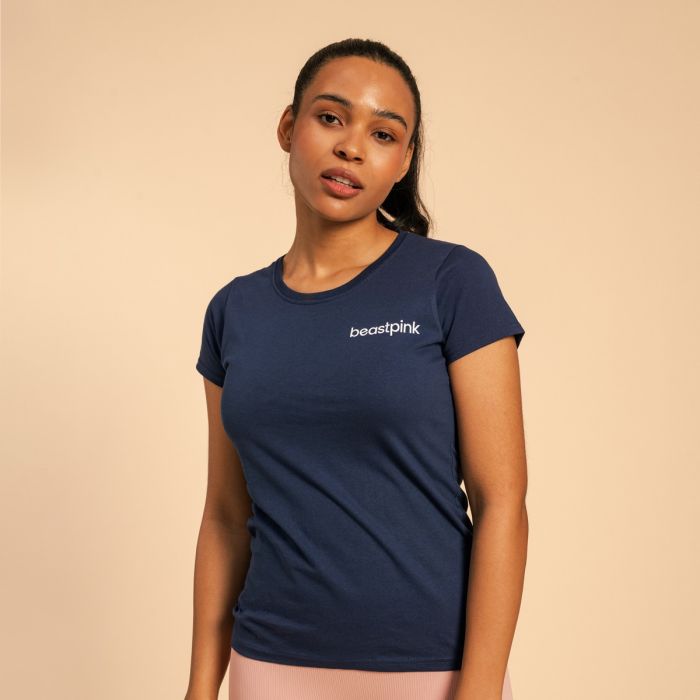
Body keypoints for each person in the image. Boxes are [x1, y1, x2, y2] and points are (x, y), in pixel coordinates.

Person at [185, 38, 527, 700]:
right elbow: (225, 516)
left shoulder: (452, 282)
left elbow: (503, 503)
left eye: (383, 134)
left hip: (430, 669)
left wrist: (479, 691)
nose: (351, 148)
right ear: (289, 127)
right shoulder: (234, 311)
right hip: (270, 666)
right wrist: (201, 687)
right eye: (330, 118)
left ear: (403, 161)